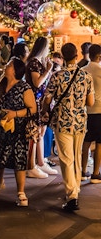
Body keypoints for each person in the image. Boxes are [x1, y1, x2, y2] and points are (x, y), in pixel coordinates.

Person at [43, 43, 94, 212]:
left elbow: (47, 99)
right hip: (80, 121)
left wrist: (45, 110)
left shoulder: (56, 76)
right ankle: (75, 189)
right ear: (77, 55)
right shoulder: (86, 76)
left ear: (63, 57)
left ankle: (72, 195)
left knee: (66, 158)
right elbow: (90, 102)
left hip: (62, 121)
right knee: (77, 157)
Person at [0, 56, 37, 207]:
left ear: (15, 70)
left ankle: (21, 192)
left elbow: (33, 109)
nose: (6, 67)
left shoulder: (24, 87)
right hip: (0, 128)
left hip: (17, 130)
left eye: (9, 65)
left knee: (18, 160)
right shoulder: (2, 83)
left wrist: (15, 114)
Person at [25, 36, 56, 178]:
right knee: (35, 133)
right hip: (35, 101)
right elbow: (37, 83)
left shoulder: (39, 62)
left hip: (42, 101)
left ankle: (41, 161)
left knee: (41, 132)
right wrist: (48, 70)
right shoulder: (33, 63)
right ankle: (32, 165)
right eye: (48, 46)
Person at [82, 44, 101, 182]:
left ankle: (83, 171)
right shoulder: (100, 70)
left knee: (86, 142)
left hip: (86, 110)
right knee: (100, 143)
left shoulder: (82, 70)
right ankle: (95, 173)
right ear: (99, 56)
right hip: (100, 110)